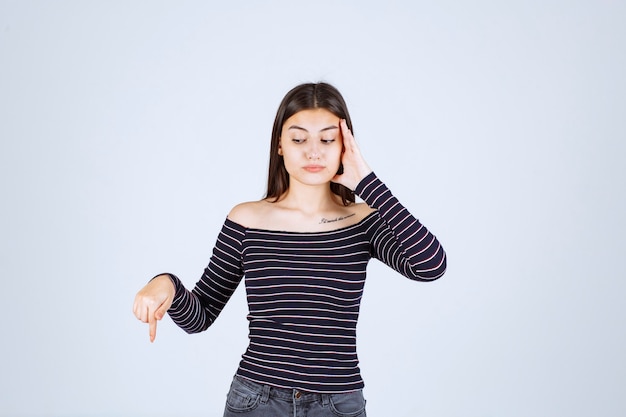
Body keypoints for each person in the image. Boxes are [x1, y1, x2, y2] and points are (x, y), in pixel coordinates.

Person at [133, 82, 447, 417]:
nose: (314, 151)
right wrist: (166, 283)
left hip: (337, 404)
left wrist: (368, 182)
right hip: (257, 401)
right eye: (299, 139)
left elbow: (430, 265)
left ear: (346, 145)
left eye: (328, 139)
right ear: (280, 146)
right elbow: (201, 315)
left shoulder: (362, 221)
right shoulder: (247, 219)